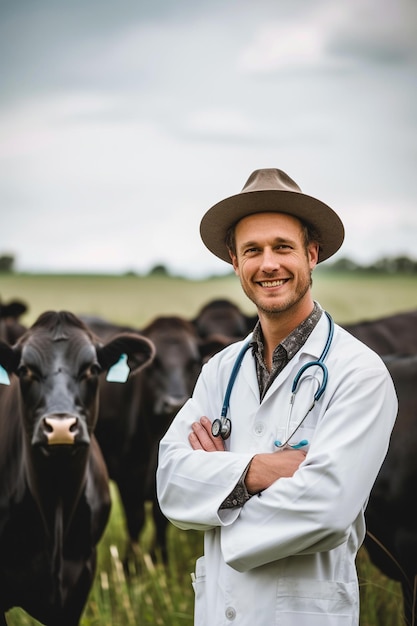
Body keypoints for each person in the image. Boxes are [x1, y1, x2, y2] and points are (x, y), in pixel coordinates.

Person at [156, 168, 398, 625]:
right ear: (235, 262)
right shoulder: (219, 371)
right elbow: (170, 484)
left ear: (311, 255)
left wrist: (216, 492)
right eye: (253, 250)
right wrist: (258, 470)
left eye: (282, 247)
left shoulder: (359, 374)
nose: (268, 264)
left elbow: (326, 510)